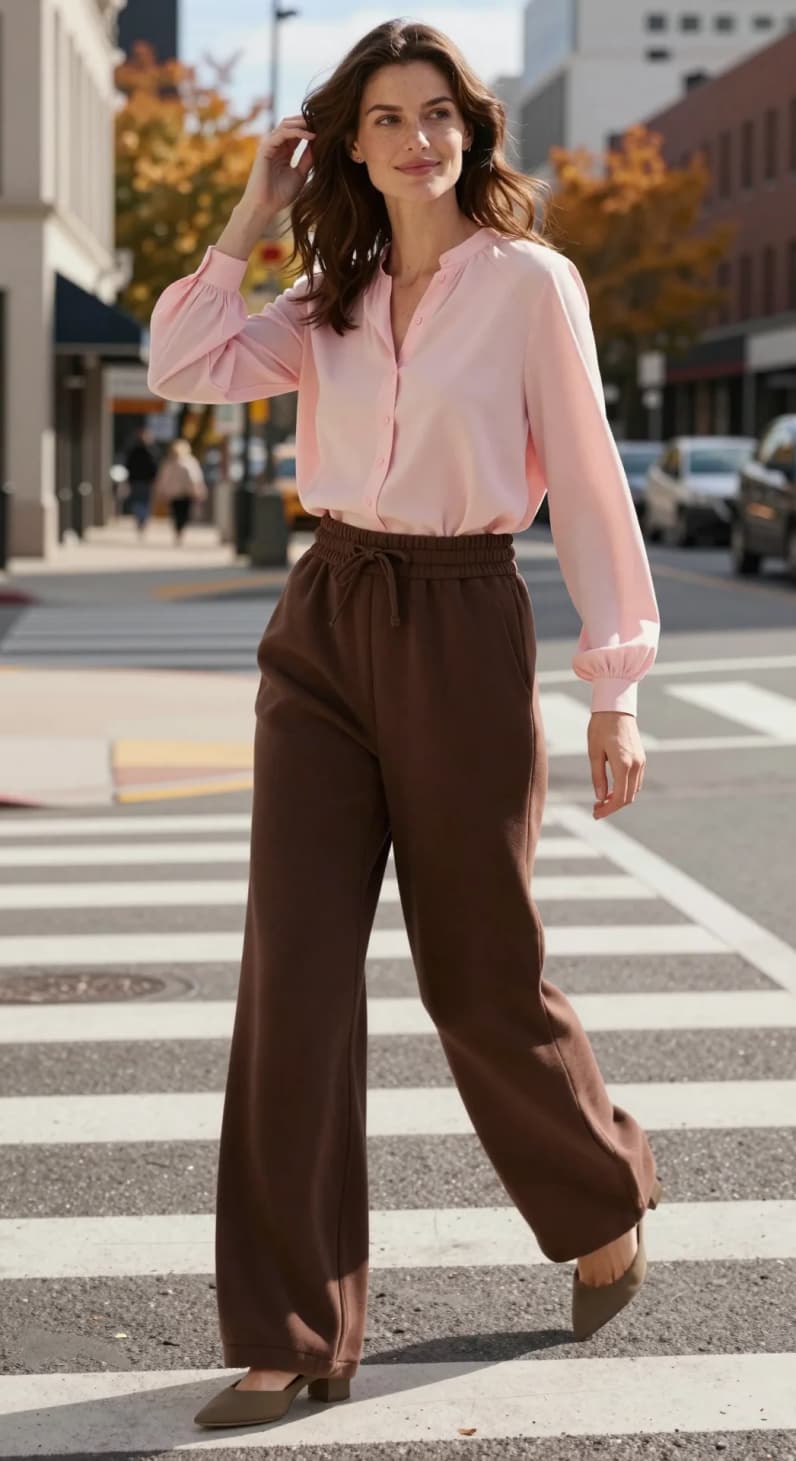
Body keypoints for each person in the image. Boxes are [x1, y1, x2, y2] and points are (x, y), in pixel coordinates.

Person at [147, 20, 663, 1430]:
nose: (415, 138)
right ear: (349, 142)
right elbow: (183, 361)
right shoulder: (331, 293)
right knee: (293, 972)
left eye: (437, 112)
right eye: (385, 118)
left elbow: (596, 488)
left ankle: (602, 1187)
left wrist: (614, 688)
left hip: (460, 615)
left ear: (470, 132)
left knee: (477, 971)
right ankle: (292, 1326)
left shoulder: (531, 286)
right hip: (326, 620)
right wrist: (251, 213)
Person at [151, 437, 207, 542]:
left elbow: (163, 479)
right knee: (183, 512)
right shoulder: (190, 462)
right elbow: (196, 478)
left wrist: (160, 491)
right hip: (185, 492)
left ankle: (178, 529)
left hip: (175, 493)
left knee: (177, 512)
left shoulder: (169, 463)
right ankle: (180, 529)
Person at [123, 426, 160, 534]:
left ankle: (141, 519)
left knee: (141, 501)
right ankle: (141, 519)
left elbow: (155, 467)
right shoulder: (147, 450)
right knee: (141, 501)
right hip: (139, 480)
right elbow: (129, 466)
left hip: (142, 480)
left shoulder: (150, 451)